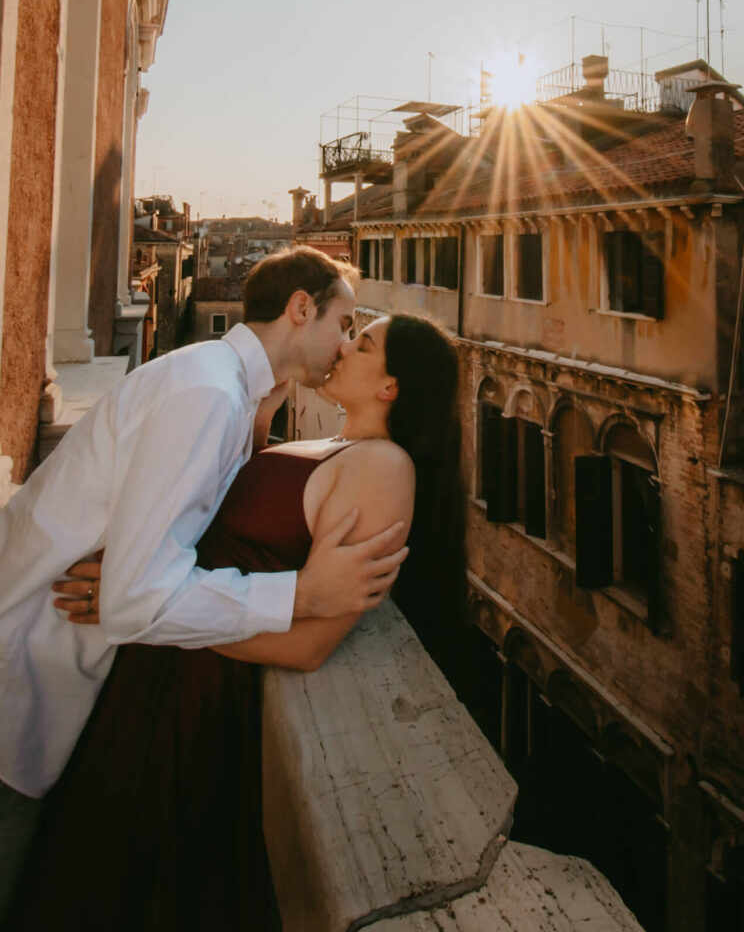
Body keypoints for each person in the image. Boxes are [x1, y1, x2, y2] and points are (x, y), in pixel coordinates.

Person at [5, 312, 466, 931]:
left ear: (391, 386)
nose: (343, 347)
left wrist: (147, 610)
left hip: (196, 696)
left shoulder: (385, 469)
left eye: (362, 344)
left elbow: (310, 645)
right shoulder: (328, 444)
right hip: (155, 670)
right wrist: (139, 585)